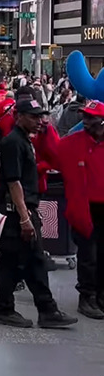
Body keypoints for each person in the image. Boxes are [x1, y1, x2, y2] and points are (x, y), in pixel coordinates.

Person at [0, 97, 77, 329]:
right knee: (22, 260)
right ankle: (15, 308)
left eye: (41, 116)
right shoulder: (13, 143)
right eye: (34, 116)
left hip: (24, 211)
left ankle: (38, 308)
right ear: (19, 116)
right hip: (17, 213)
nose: (40, 121)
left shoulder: (26, 140)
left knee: (28, 261)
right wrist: (24, 218)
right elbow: (13, 182)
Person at [56, 100, 104, 319]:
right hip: (85, 209)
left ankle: (100, 296)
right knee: (88, 255)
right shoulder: (72, 143)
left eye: (91, 118)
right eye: (85, 117)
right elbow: (49, 155)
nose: (85, 122)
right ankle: (87, 297)